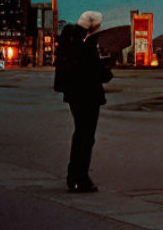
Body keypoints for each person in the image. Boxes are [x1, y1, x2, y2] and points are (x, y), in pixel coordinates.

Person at [54, 10, 112, 193]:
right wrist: (107, 68)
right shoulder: (86, 46)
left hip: (73, 95)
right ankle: (80, 177)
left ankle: (74, 176)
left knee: (80, 134)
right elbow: (100, 74)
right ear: (93, 27)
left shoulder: (68, 42)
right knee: (86, 137)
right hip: (89, 96)